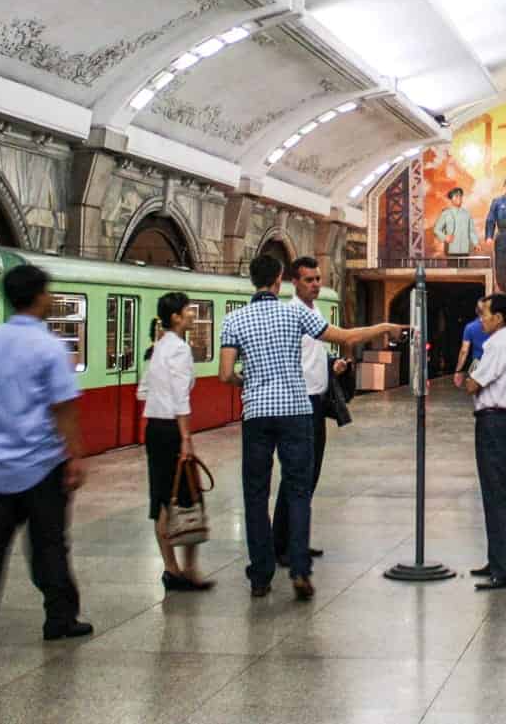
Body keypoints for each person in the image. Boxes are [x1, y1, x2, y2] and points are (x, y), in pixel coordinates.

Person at [220, 254, 406, 600]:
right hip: (295, 410)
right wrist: (382, 327)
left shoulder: (234, 320)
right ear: (279, 281)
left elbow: (225, 372)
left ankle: (260, 576)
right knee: (299, 489)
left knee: (256, 494)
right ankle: (300, 570)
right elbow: (345, 335)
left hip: (257, 415)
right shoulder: (296, 313)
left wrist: (248, 382)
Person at [0, 265, 91, 657]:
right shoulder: (50, 346)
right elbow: (63, 408)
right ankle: (59, 618)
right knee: (48, 546)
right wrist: (75, 457)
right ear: (40, 297)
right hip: (42, 465)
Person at [273, 257, 351, 566]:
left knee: (309, 476)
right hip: (300, 404)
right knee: (297, 476)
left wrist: (334, 365)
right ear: (295, 282)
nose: (316, 284)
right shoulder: (293, 313)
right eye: (309, 280)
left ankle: (296, 541)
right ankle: (283, 546)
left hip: (316, 403)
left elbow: (311, 356)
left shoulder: (314, 311)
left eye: (318, 278)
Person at [141, 292, 214, 593]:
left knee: (162, 500)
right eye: (187, 310)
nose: (192, 314)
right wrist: (186, 438)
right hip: (172, 430)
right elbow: (181, 398)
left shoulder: (157, 348)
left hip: (154, 429)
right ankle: (189, 569)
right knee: (188, 496)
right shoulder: (180, 350)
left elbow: (143, 390)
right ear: (175, 317)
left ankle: (171, 569)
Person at [461, 292, 506, 591]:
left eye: (484, 315)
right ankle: (497, 559)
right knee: (492, 494)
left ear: (498, 318)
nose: (480, 320)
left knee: (497, 496)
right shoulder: (498, 343)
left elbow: (472, 384)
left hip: (495, 423)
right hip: (497, 421)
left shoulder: (499, 345)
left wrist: (470, 374)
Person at [452, 298, 489, 387]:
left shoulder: (470, 327)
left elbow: (464, 351)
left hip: (477, 365)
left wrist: (458, 370)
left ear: (476, 310)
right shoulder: (496, 325)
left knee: (477, 394)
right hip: (493, 363)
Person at [433, 187, 477, 261]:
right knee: (453, 271)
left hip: (465, 250)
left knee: (464, 272)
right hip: (451, 250)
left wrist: (476, 243)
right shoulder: (446, 213)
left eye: (460, 196)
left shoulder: (467, 214)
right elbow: (436, 229)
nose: (459, 198)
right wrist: (445, 237)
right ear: (451, 199)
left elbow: (471, 231)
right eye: (456, 196)